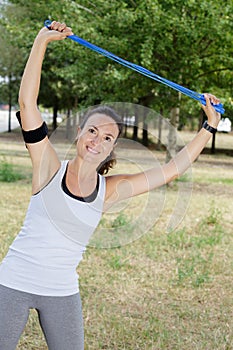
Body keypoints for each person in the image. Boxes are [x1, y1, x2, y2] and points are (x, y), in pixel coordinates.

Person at [0, 21, 221, 350]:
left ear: (111, 148)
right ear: (79, 133)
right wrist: (42, 40)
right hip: (13, 282)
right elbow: (28, 104)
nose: (96, 141)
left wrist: (208, 126)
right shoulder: (47, 166)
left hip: (62, 290)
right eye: (91, 131)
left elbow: (173, 169)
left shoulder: (110, 190)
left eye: (106, 138)